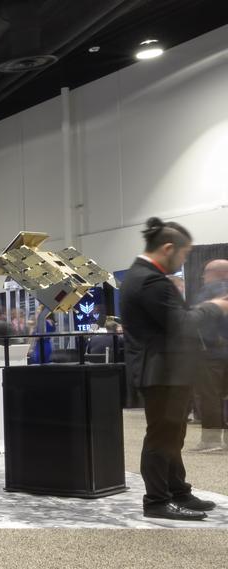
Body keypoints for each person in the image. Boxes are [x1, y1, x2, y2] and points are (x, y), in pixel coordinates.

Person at [120, 218, 228, 521]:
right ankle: (156, 500)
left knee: (173, 435)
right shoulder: (150, 281)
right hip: (162, 372)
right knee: (161, 436)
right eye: (183, 255)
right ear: (168, 248)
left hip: (168, 370)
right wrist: (215, 307)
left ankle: (178, 490)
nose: (183, 262)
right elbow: (181, 325)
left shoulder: (143, 276)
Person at [190, 259, 228, 452]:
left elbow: (198, 320)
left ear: (213, 273)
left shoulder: (207, 292)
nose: (204, 278)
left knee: (209, 395)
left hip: (211, 353)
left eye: (205, 274)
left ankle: (211, 441)